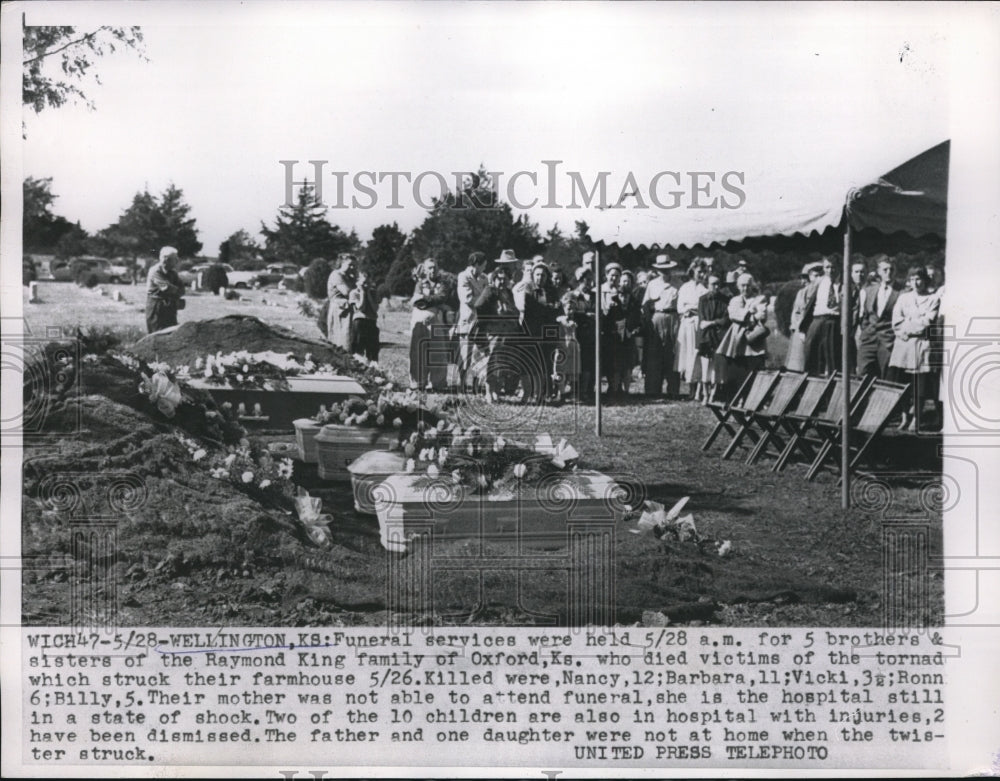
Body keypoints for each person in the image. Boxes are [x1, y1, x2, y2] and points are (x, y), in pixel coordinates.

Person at [889, 266, 941, 432]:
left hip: (920, 346)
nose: (916, 282)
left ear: (925, 280)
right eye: (912, 279)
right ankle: (905, 416)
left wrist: (908, 324)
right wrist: (905, 327)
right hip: (903, 345)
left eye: (919, 278)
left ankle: (917, 419)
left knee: (919, 385)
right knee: (902, 384)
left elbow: (926, 322)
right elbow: (896, 320)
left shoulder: (933, 299)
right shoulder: (904, 298)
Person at [513, 259, 560, 403]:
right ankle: (527, 393)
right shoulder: (527, 289)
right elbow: (532, 308)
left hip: (547, 332)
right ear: (533, 276)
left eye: (543, 275)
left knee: (544, 363)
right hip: (530, 330)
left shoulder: (552, 292)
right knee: (528, 363)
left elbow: (557, 309)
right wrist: (548, 308)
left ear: (547, 277)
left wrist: (548, 309)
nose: (540, 278)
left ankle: (540, 394)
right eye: (537, 275)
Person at [715, 273, 769, 397]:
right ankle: (737, 396)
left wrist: (748, 316)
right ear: (738, 287)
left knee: (754, 368)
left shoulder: (760, 298)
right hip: (736, 339)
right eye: (742, 286)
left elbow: (762, 316)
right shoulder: (734, 300)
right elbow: (733, 315)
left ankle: (754, 397)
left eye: (748, 286)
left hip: (753, 339)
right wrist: (751, 313)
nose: (745, 288)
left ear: (752, 286)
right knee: (737, 368)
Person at [473, 265, 521, 403]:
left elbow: (514, 309)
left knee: (502, 364)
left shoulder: (508, 293)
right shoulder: (490, 291)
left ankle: (496, 392)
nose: (502, 282)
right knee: (491, 363)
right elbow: (478, 306)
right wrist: (490, 319)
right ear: (494, 279)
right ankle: (489, 392)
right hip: (493, 333)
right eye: (499, 279)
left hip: (507, 333)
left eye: (504, 279)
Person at [408, 257, 453, 392]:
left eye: (435, 267)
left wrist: (426, 300)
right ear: (425, 270)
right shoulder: (420, 284)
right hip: (420, 320)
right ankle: (418, 382)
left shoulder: (443, 283)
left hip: (437, 320)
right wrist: (432, 303)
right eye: (430, 267)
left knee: (438, 351)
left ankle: (438, 382)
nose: (432, 270)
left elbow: (442, 297)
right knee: (418, 351)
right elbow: (416, 302)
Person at [856, 256, 900, 381]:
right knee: (863, 374)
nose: (889, 273)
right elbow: (865, 315)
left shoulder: (902, 292)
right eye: (885, 270)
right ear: (879, 272)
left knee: (886, 377)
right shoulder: (869, 290)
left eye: (892, 270)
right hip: (868, 339)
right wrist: (866, 332)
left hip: (888, 341)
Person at [641, 254, 680, 398]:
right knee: (654, 353)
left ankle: (673, 389)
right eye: (662, 269)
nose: (665, 272)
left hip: (673, 318)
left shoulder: (678, 283)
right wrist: (647, 321)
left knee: (672, 352)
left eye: (668, 269)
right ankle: (653, 389)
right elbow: (645, 305)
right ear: (657, 270)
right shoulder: (652, 284)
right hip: (656, 318)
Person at [799, 256, 842, 376]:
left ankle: (833, 389)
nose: (830, 270)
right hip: (817, 321)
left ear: (839, 267)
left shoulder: (845, 283)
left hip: (833, 322)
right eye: (827, 267)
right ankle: (811, 389)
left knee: (833, 359)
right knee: (812, 356)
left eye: (833, 267)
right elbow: (810, 305)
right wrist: (804, 328)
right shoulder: (820, 282)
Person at [675, 259, 709, 400]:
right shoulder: (684, 288)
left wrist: (692, 309)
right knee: (687, 355)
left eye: (703, 272)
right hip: (686, 324)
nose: (701, 275)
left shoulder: (705, 290)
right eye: (699, 272)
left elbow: (704, 310)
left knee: (697, 355)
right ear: (692, 271)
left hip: (698, 325)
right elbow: (680, 308)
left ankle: (699, 391)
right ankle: (691, 389)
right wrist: (689, 309)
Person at [455, 251, 489, 391]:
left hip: (481, 322)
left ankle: (477, 384)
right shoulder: (463, 276)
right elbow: (467, 298)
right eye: (483, 265)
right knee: (465, 354)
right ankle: (461, 384)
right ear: (476, 264)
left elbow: (488, 294)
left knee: (480, 354)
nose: (485, 268)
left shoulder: (484, 278)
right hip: (468, 320)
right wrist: (483, 302)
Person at [695, 274, 730, 403]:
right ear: (708, 285)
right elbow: (702, 319)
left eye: (717, 284)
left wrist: (712, 323)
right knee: (705, 367)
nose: (715, 287)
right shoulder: (702, 300)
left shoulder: (725, 300)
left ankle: (713, 394)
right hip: (705, 337)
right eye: (713, 284)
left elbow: (726, 319)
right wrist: (712, 323)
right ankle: (705, 393)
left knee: (717, 367)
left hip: (719, 336)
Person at [784, 262, 822, 372]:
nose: (804, 281)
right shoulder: (802, 293)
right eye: (814, 276)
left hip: (815, 329)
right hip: (800, 330)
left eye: (819, 276)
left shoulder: (823, 290)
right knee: (796, 363)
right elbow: (796, 311)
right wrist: (797, 328)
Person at [567, 265, 597, 402]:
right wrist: (585, 315)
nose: (589, 283)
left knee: (589, 362)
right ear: (580, 280)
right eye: (587, 280)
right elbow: (569, 314)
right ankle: (576, 391)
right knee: (578, 363)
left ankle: (587, 390)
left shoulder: (594, 296)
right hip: (578, 333)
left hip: (592, 333)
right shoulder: (572, 295)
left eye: (591, 280)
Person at [145, 246, 185, 334]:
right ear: (166, 260)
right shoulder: (155, 271)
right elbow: (167, 288)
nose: (177, 262)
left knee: (171, 334)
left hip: (170, 307)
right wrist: (176, 290)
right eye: (175, 259)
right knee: (157, 334)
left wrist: (176, 290)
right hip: (156, 307)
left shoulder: (172, 272)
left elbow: (182, 289)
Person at [326, 253, 358, 351]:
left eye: (354, 265)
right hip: (339, 309)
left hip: (348, 309)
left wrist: (356, 276)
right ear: (342, 263)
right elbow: (347, 292)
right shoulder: (336, 275)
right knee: (342, 338)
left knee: (350, 337)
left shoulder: (349, 276)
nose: (352, 267)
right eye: (350, 265)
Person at [618, 270, 643, 392]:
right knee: (616, 365)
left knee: (628, 365)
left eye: (628, 281)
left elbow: (638, 322)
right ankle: (616, 389)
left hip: (629, 339)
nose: (626, 283)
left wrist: (633, 332)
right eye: (623, 280)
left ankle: (626, 389)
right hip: (616, 339)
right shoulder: (615, 306)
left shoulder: (634, 304)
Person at [348, 269, 380, 362]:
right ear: (357, 282)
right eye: (363, 283)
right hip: (360, 321)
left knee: (373, 349)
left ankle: (372, 366)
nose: (366, 285)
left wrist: (369, 294)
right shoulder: (354, 293)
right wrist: (362, 293)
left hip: (371, 321)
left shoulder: (373, 292)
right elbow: (360, 307)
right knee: (358, 347)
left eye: (368, 283)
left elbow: (375, 309)